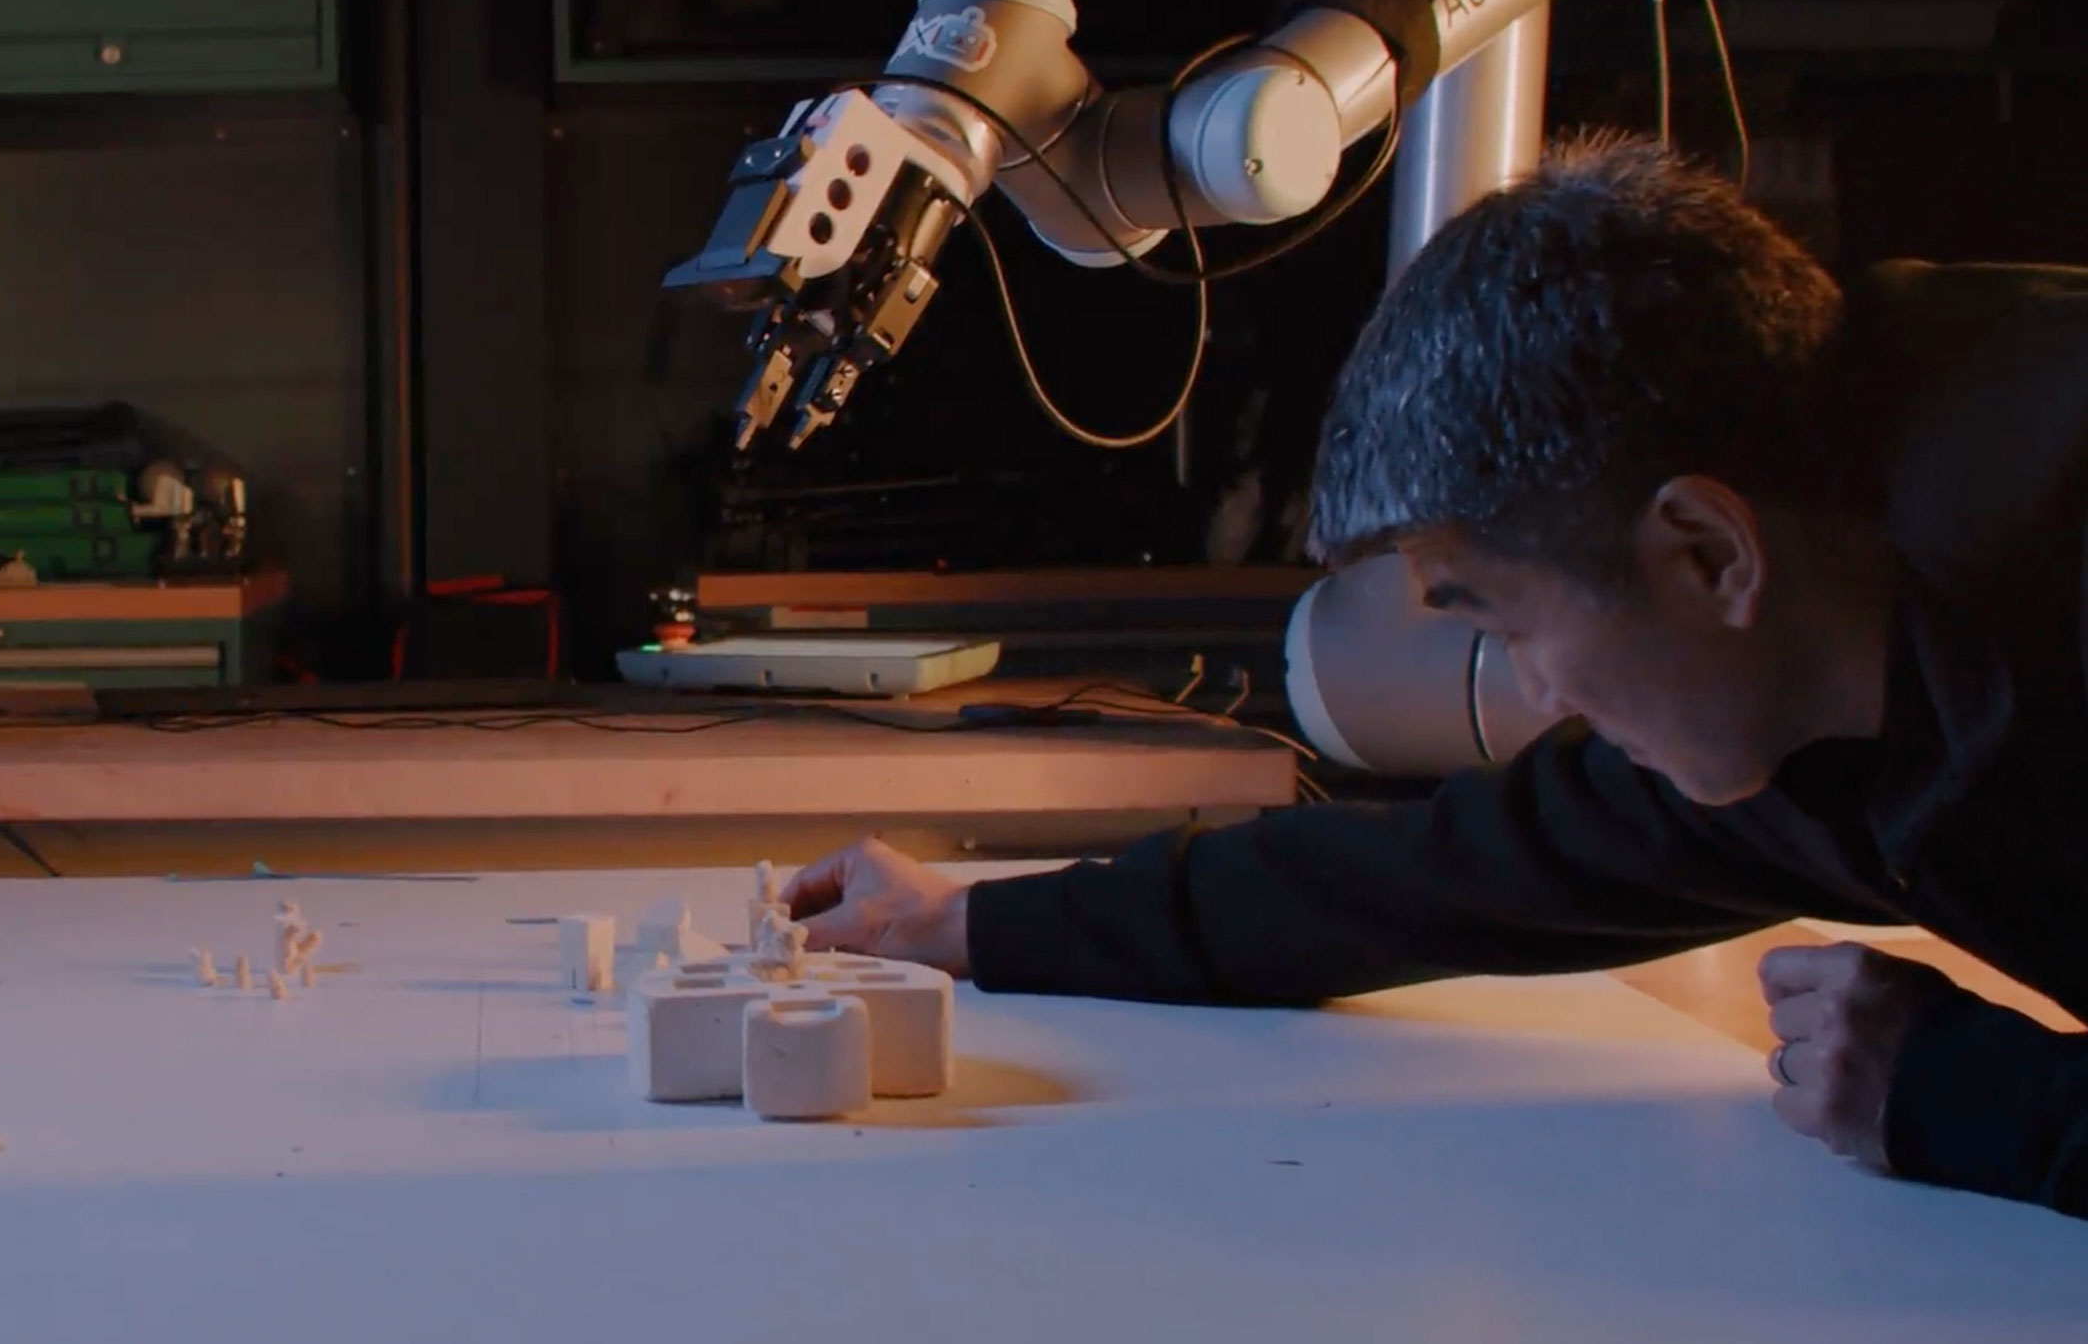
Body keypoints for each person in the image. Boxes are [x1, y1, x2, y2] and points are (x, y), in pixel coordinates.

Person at [780, 135, 2088, 1221]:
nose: (1539, 698)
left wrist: (1963, 1092)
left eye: (1502, 622)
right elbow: (1432, 876)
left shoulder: (2048, 558)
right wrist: (970, 925)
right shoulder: (1795, 666)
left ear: (1706, 551)